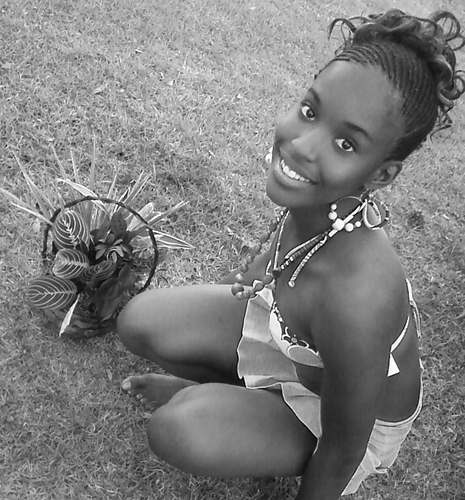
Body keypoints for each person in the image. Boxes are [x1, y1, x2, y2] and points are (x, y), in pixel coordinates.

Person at [117, 9, 464, 499]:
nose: (302, 145)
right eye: (310, 111)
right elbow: (276, 256)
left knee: (177, 429)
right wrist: (250, 279)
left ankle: (240, 410)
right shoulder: (324, 202)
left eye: (345, 143)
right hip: (293, 352)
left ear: (381, 174)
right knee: (139, 321)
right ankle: (240, 396)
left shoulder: (358, 297)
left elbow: (343, 447)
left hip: (339, 419)